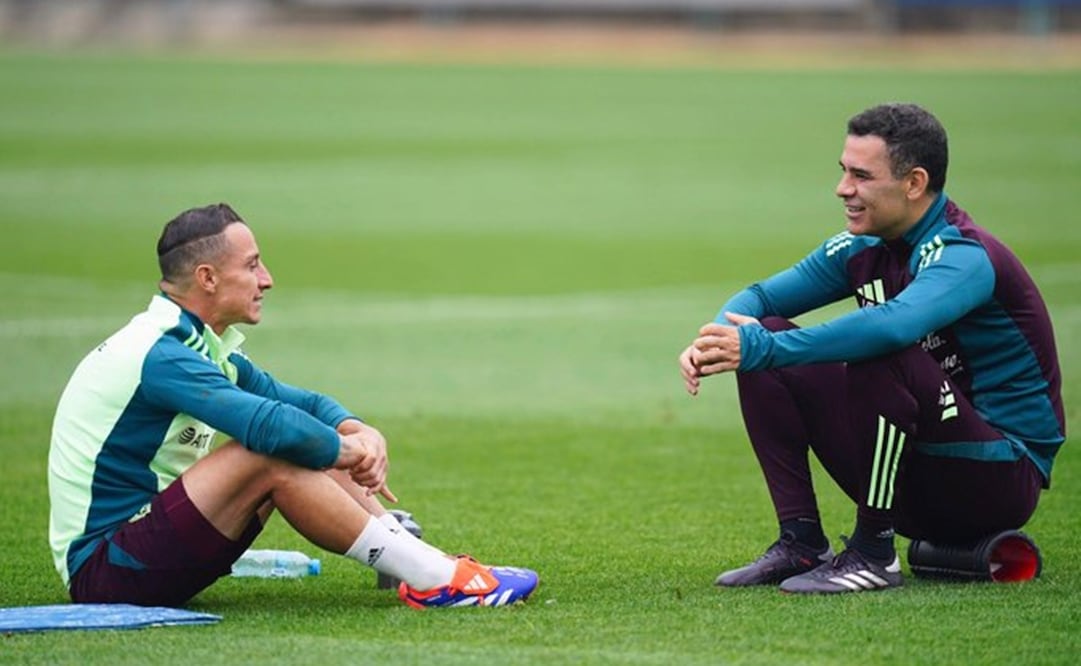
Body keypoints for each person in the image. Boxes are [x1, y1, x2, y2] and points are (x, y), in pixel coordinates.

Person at [48, 203, 539, 609]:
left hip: (141, 553)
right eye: (252, 264)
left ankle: (425, 567)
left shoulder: (198, 345)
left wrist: (356, 429)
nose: (267, 279)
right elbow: (269, 426)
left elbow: (294, 400)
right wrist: (345, 452)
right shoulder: (161, 353)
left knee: (293, 433)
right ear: (208, 278)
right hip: (105, 573)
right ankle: (438, 579)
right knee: (269, 449)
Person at [679, 103, 1065, 594]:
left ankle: (874, 553)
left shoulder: (965, 255)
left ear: (914, 182)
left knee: (875, 349)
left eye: (862, 176)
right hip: (923, 469)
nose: (843, 188)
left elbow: (891, 328)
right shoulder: (863, 245)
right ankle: (800, 542)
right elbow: (760, 298)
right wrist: (716, 339)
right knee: (765, 332)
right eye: (844, 172)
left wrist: (765, 347)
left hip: (998, 478)